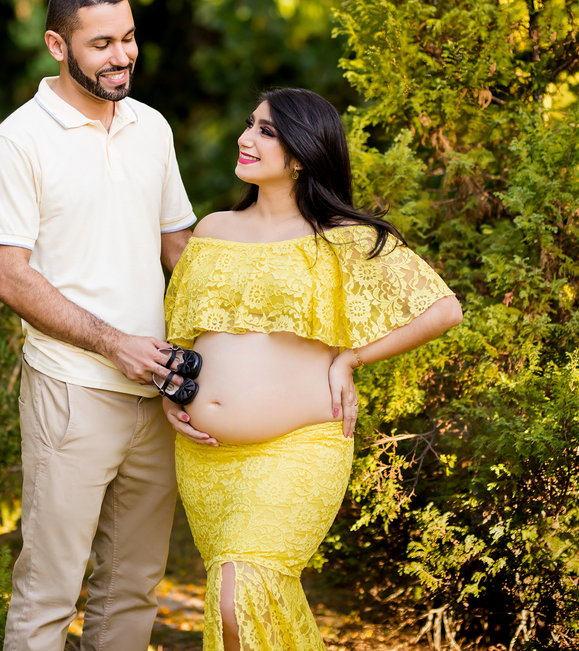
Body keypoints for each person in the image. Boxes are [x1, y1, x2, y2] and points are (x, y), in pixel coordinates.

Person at [161, 88, 463, 651]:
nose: (245, 139)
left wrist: (353, 356)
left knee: (240, 591)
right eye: (249, 125)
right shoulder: (212, 231)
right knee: (237, 608)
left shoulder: (344, 239)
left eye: (266, 132)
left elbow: (444, 309)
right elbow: (184, 338)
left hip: (300, 446)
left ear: (301, 155)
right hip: (206, 457)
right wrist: (171, 394)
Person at [0, 0, 202, 651]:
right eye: (102, 42)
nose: (122, 55)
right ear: (57, 44)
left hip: (154, 392)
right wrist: (114, 342)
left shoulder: (151, 128)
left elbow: (179, 248)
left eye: (129, 38)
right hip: (70, 394)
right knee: (50, 590)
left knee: (132, 591)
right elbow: (8, 277)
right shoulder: (19, 142)